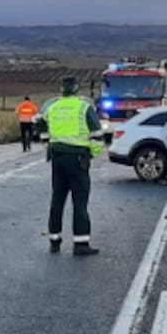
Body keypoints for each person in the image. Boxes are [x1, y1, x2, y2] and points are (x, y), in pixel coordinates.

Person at [41, 77, 104, 256]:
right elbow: (97, 134)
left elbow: (40, 124)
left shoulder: (52, 107)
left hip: (58, 158)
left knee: (57, 200)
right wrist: (93, 153)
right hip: (78, 159)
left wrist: (48, 147)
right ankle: (81, 243)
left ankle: (54, 241)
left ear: (61, 89)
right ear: (76, 89)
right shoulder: (84, 107)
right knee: (80, 202)